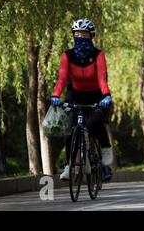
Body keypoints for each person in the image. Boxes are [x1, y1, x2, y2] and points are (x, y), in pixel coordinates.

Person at [51, 18, 113, 181]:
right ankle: (68, 167)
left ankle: (105, 153)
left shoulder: (98, 55)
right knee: (71, 129)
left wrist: (106, 95)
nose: (80, 37)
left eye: (84, 34)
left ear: (91, 36)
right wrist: (55, 95)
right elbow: (62, 79)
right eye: (77, 34)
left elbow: (102, 78)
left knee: (94, 123)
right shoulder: (67, 56)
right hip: (76, 94)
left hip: (97, 95)